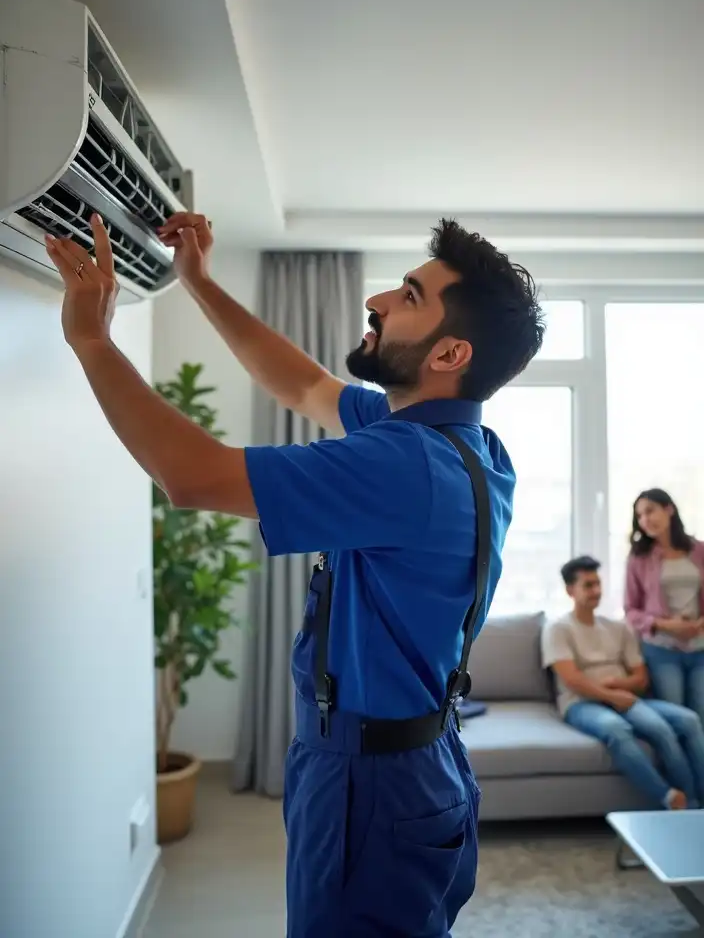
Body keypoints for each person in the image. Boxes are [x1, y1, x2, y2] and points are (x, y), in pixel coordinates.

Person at [43, 212, 544, 937]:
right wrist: (200, 284)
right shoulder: (459, 443)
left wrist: (91, 341)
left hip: (372, 781)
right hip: (409, 762)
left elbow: (191, 477)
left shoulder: (404, 465)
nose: (376, 300)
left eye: (408, 295)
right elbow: (305, 385)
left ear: (451, 351)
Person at [542, 555, 704, 810]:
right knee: (616, 730)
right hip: (582, 703)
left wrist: (620, 686)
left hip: (626, 697)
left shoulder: (617, 628)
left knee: (687, 721)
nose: (596, 591)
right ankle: (670, 798)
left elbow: (641, 677)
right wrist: (612, 696)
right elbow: (572, 679)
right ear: (570, 590)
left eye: (598, 584)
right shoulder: (558, 629)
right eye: (588, 585)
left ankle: (696, 801)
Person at [625, 488, 704, 727]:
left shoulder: (699, 550)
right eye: (639, 516)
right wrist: (665, 624)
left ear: (669, 509)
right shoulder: (639, 557)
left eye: (650, 511)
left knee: (700, 717)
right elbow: (630, 609)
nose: (645, 520)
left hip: (700, 648)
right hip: (661, 650)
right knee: (677, 720)